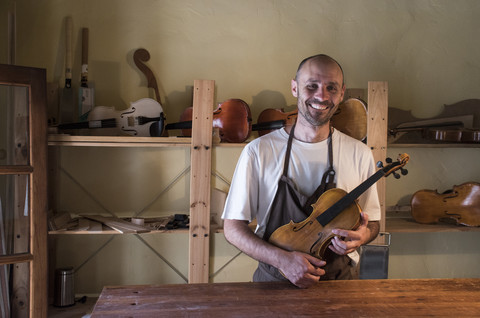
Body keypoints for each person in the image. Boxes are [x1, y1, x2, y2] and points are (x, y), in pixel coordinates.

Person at [221, 54, 381, 289]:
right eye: (312, 86)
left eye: (331, 87)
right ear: (295, 87)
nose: (322, 96)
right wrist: (282, 259)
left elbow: (374, 222)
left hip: (340, 285)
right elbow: (232, 229)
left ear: (342, 93)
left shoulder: (360, 153)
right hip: (273, 284)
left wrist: (364, 236)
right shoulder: (258, 151)